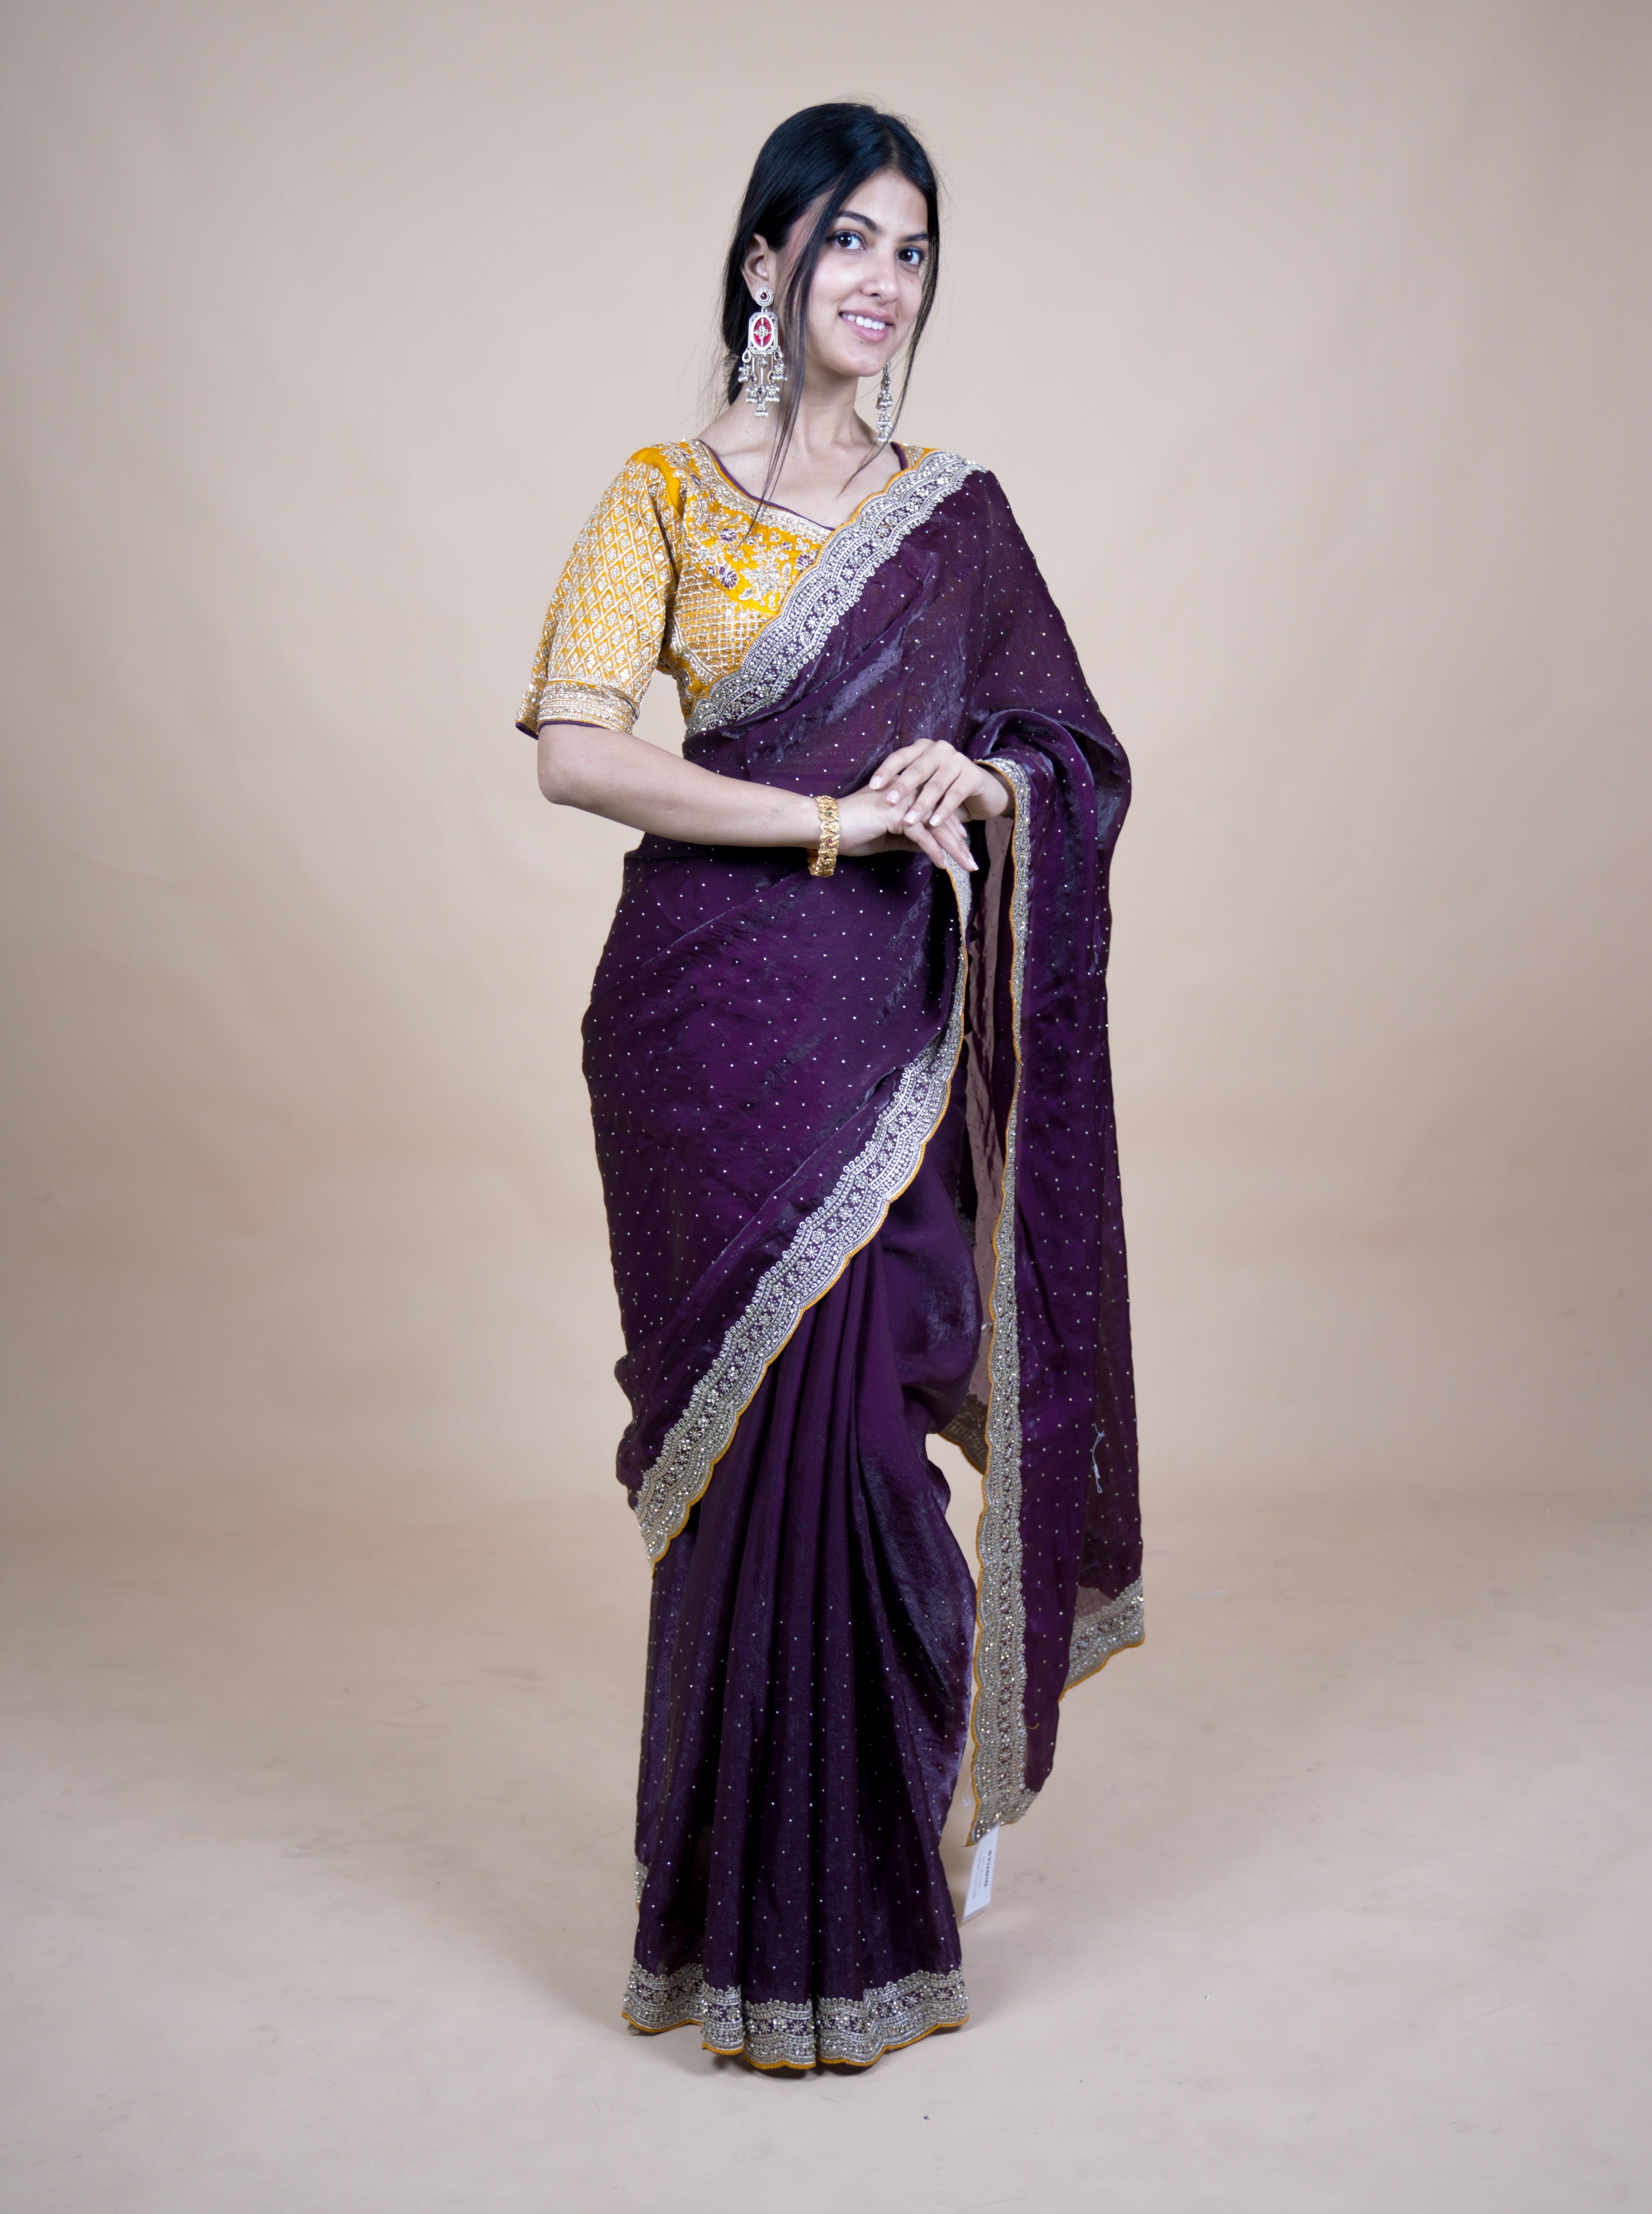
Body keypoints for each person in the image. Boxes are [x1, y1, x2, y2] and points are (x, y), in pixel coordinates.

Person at [518, 102, 1141, 2072]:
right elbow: (574, 749)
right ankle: (732, 1934)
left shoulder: (955, 517)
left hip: (886, 1039)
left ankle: (868, 1895)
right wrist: (827, 821)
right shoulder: (660, 499)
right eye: (848, 240)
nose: (882, 281)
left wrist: (987, 775)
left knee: (862, 1454)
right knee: (740, 1489)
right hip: (700, 1034)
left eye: (911, 250)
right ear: (763, 264)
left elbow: (1073, 749)